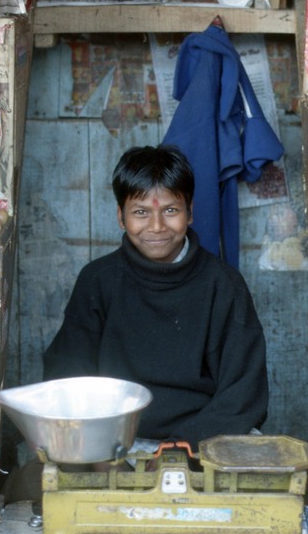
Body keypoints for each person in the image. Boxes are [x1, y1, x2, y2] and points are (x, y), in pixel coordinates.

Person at [42, 144, 269, 448]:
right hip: (111, 439)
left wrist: (184, 446)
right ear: (121, 217)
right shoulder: (98, 280)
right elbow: (68, 374)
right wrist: (98, 449)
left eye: (171, 210)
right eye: (140, 212)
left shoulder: (223, 284)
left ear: (190, 213)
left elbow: (243, 391)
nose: (157, 226)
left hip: (203, 439)